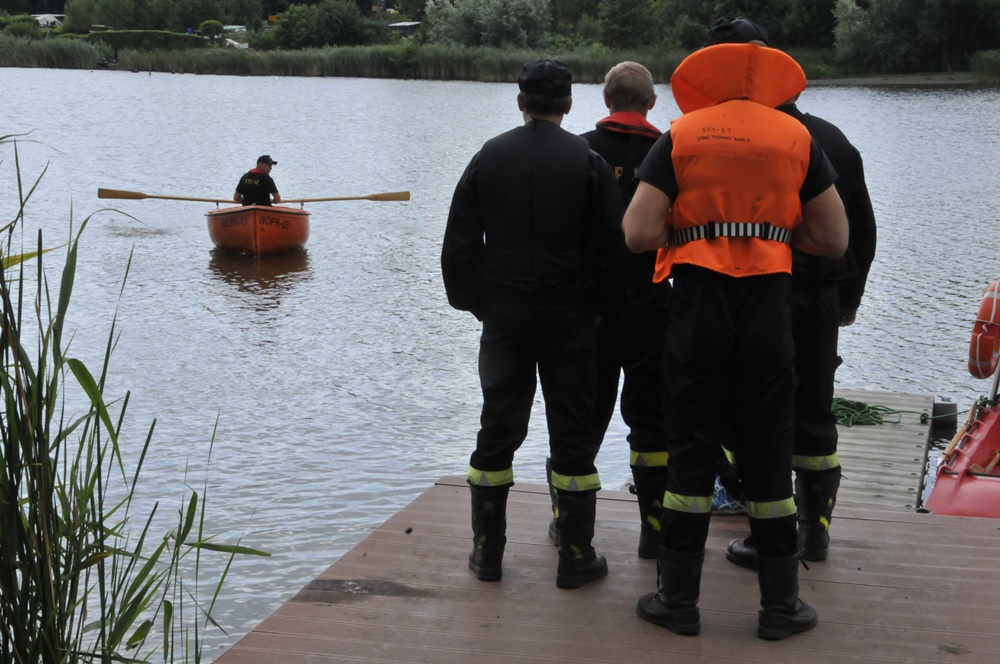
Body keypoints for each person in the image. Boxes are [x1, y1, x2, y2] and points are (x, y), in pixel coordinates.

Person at [622, 20, 849, 641]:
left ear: (705, 81)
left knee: (691, 449)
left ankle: (678, 601)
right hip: (769, 312)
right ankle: (780, 606)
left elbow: (638, 234)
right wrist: (776, 235)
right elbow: (833, 239)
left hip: (698, 313)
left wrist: (689, 232)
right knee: (770, 447)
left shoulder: (681, 135)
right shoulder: (797, 137)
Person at [441, 59, 629, 589]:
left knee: (497, 429)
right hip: (570, 319)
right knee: (572, 435)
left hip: (505, 317)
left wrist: (478, 304)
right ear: (568, 105)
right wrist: (595, 310)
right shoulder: (588, 162)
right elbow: (613, 251)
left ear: (520, 102)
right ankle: (574, 557)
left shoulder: (488, 158)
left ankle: (487, 555)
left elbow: (458, 244)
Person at [712, 19, 878, 570]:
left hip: (754, 296)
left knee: (753, 412)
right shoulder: (833, 140)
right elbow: (861, 229)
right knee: (813, 412)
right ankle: (817, 533)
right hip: (819, 298)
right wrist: (848, 297)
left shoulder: (720, 138)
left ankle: (767, 536)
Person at [545, 61, 671, 560]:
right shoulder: (671, 149)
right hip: (652, 303)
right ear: (652, 102)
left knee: (581, 417)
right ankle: (655, 530)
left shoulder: (577, 149)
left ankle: (569, 525)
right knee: (652, 420)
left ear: (604, 100)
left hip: (589, 309)